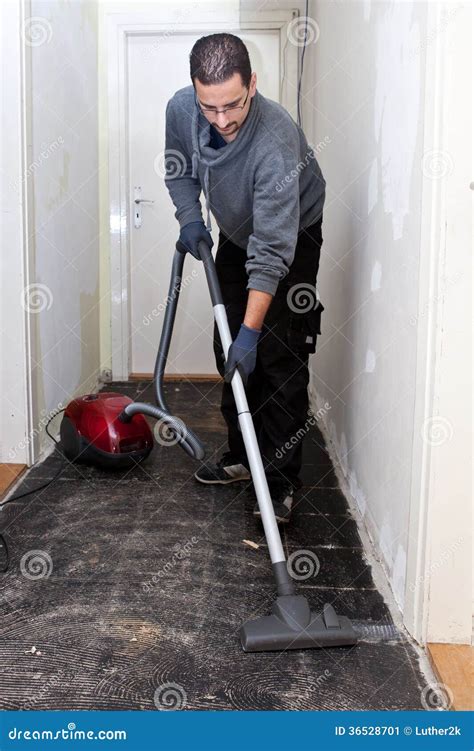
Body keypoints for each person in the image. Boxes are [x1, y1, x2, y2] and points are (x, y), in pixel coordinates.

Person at [164, 33, 325, 523]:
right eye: (209, 107)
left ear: (252, 84)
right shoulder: (182, 110)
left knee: (277, 354)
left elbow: (272, 251)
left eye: (232, 104)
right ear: (195, 91)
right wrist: (190, 218)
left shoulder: (275, 140)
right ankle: (242, 456)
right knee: (229, 348)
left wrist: (254, 332)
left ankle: (279, 484)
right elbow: (179, 170)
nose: (221, 119)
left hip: (292, 232)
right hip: (235, 229)